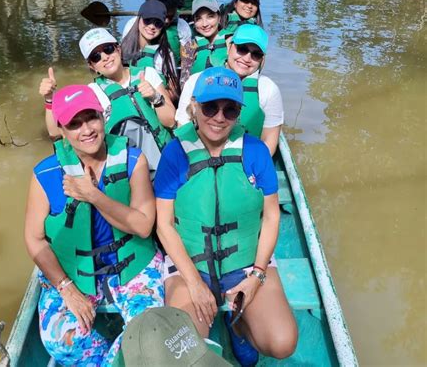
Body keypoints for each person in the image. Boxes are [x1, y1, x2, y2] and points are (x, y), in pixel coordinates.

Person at [154, 67, 297, 366]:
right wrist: (193, 283)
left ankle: (239, 327)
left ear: (238, 113)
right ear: (194, 106)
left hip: (245, 262)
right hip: (189, 264)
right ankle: (221, 314)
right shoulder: (174, 153)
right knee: (181, 354)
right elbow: (164, 225)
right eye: (210, 107)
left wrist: (257, 276)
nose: (219, 117)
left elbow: (271, 217)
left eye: (230, 109)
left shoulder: (255, 151)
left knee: (282, 342)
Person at [25, 84, 164, 365]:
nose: (86, 129)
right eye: (74, 124)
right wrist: (66, 288)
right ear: (62, 132)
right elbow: (34, 239)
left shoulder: (132, 160)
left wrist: (93, 195)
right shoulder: (46, 174)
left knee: (148, 332)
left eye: (91, 118)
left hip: (132, 264)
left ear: (103, 118)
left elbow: (144, 226)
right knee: (60, 340)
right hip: (73, 272)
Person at [39, 28, 175, 174]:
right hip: (131, 171)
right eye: (96, 57)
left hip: (167, 159)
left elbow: (171, 121)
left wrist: (155, 97)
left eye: (108, 49)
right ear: (92, 66)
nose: (105, 57)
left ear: (118, 49)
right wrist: (49, 99)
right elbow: (57, 135)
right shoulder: (92, 92)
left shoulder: (147, 73)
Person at [176, 24, 283, 155]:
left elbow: (269, 140)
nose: (247, 58)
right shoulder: (196, 81)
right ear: (229, 47)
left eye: (256, 54)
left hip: (244, 163)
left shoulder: (269, 89)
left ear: (262, 59)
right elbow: (183, 125)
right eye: (242, 49)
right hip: (199, 159)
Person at [121, 0, 180, 101]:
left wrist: (155, 94)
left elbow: (174, 91)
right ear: (139, 19)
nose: (152, 26)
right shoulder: (121, 50)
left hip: (155, 105)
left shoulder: (164, 54)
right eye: (147, 20)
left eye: (158, 23)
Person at [122, 0, 193, 67]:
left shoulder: (182, 26)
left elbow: (187, 61)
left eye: (170, 16)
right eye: (164, 16)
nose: (166, 21)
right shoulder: (133, 24)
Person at [189, 0, 228, 75]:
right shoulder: (190, 46)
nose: (205, 24)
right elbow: (184, 78)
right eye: (198, 19)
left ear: (219, 18)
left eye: (210, 17)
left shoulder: (231, 42)